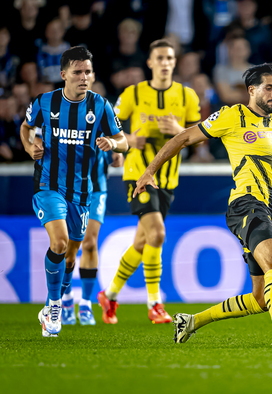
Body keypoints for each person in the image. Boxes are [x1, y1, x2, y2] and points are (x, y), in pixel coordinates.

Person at [132, 63, 272, 345]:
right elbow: (183, 138)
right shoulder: (232, 116)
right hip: (245, 204)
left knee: (260, 298)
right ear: (252, 90)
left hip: (271, 210)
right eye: (269, 87)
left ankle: (192, 321)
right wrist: (150, 170)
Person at [19, 46, 128, 337]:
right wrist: (31, 146)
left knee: (70, 256)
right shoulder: (45, 102)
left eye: (88, 72)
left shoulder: (100, 106)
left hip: (83, 193)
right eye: (78, 72)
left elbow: (123, 140)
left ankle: (57, 302)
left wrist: (114, 145)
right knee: (59, 243)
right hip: (48, 186)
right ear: (63, 74)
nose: (84, 77)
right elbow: (26, 128)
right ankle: (54, 306)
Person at [97, 39, 201, 325]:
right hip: (138, 175)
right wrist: (130, 140)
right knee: (157, 234)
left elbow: (199, 136)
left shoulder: (187, 96)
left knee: (143, 243)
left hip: (169, 178)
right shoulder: (133, 94)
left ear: (174, 62)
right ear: (150, 62)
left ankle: (111, 295)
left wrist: (181, 130)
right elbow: (110, 129)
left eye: (170, 58)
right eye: (160, 58)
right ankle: (155, 303)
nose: (166, 62)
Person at [61, 73, 125, 326]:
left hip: (96, 189)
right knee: (67, 246)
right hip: (65, 188)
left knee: (89, 242)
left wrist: (116, 154)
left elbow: (118, 145)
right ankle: (65, 298)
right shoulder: (64, 116)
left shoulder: (104, 115)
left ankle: (85, 303)